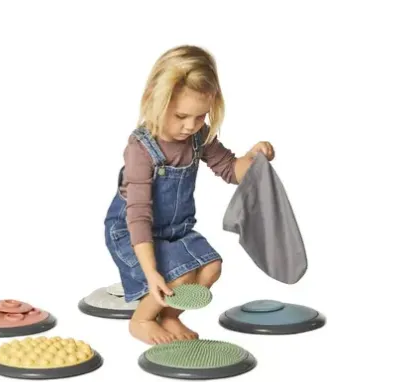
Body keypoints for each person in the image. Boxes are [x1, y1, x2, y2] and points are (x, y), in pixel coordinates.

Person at [104, 45, 275, 345]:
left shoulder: (198, 136)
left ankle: (169, 316)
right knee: (180, 276)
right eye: (182, 115)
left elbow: (230, 169)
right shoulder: (141, 149)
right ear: (154, 100)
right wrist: (151, 272)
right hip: (133, 233)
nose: (191, 126)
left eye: (200, 116)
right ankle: (142, 320)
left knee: (211, 267)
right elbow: (139, 215)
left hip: (174, 231)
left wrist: (254, 158)